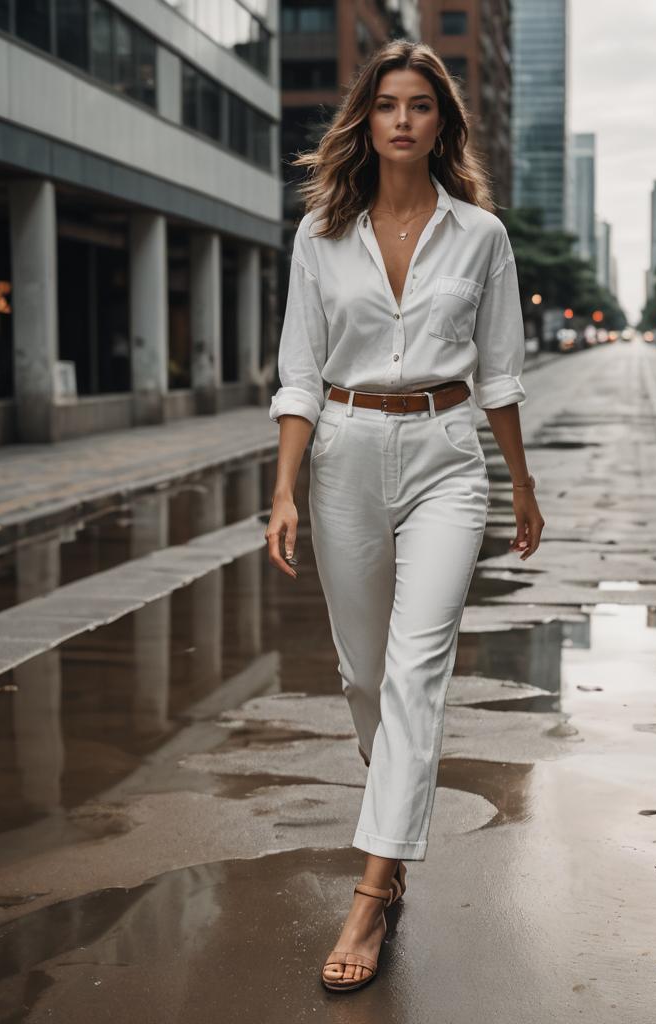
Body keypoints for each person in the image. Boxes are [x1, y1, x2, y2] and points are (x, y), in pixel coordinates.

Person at [264, 41, 545, 994]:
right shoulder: (319, 235)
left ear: (441, 123)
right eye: (385, 103)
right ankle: (392, 830)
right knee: (362, 674)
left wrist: (522, 483)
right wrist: (284, 488)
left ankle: (373, 888)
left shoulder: (481, 237)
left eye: (420, 104)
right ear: (365, 118)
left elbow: (500, 373)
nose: (401, 119)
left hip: (446, 456)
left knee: (418, 670)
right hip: (343, 449)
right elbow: (300, 372)